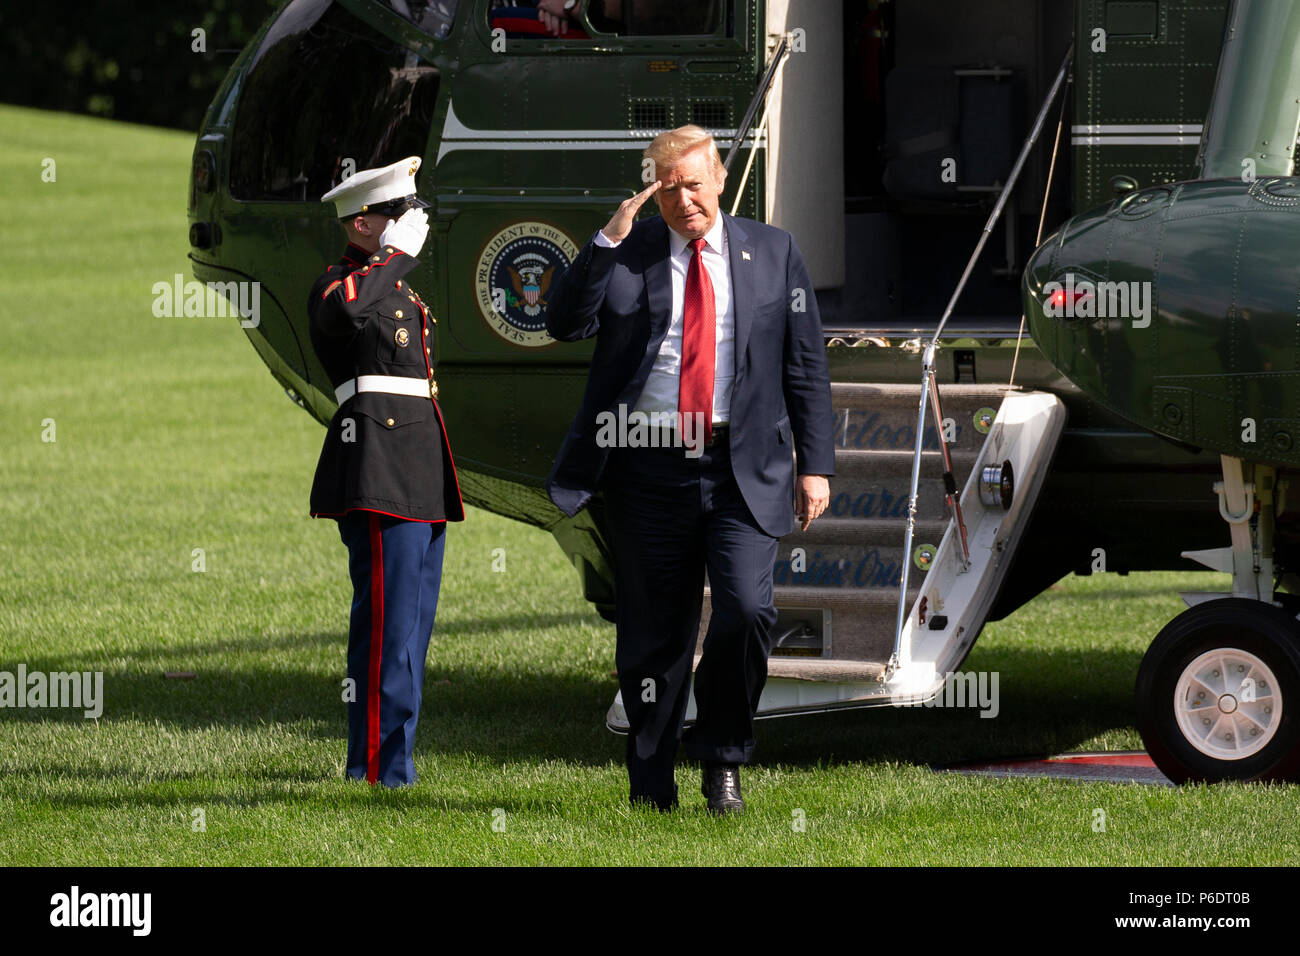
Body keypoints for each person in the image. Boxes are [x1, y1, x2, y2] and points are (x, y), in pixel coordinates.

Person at [544, 125, 834, 813]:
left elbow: (806, 365)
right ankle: (651, 782)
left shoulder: (773, 252)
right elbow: (562, 322)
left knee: (747, 609)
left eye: (694, 185)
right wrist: (606, 239)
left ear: (721, 180)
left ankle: (724, 756)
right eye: (667, 188)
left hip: (743, 467)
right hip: (646, 469)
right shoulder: (627, 253)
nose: (683, 201)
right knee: (654, 634)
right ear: (652, 189)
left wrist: (815, 466)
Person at [308, 156, 464, 788]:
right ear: (365, 224)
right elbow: (345, 315)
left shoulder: (392, 289)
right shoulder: (338, 284)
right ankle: (373, 769)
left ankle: (395, 763)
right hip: (376, 466)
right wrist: (392, 258)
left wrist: (393, 265)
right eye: (398, 215)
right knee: (384, 627)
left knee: (412, 631)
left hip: (419, 469)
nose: (411, 226)